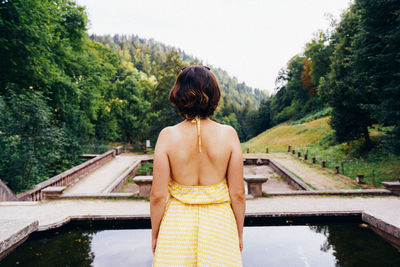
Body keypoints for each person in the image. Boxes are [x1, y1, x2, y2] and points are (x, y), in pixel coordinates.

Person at [150, 65, 245, 266]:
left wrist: (156, 235)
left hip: (177, 225)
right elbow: (237, 194)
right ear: (214, 95)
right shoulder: (229, 135)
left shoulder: (167, 136)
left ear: (179, 95)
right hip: (220, 224)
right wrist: (238, 233)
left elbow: (158, 196)